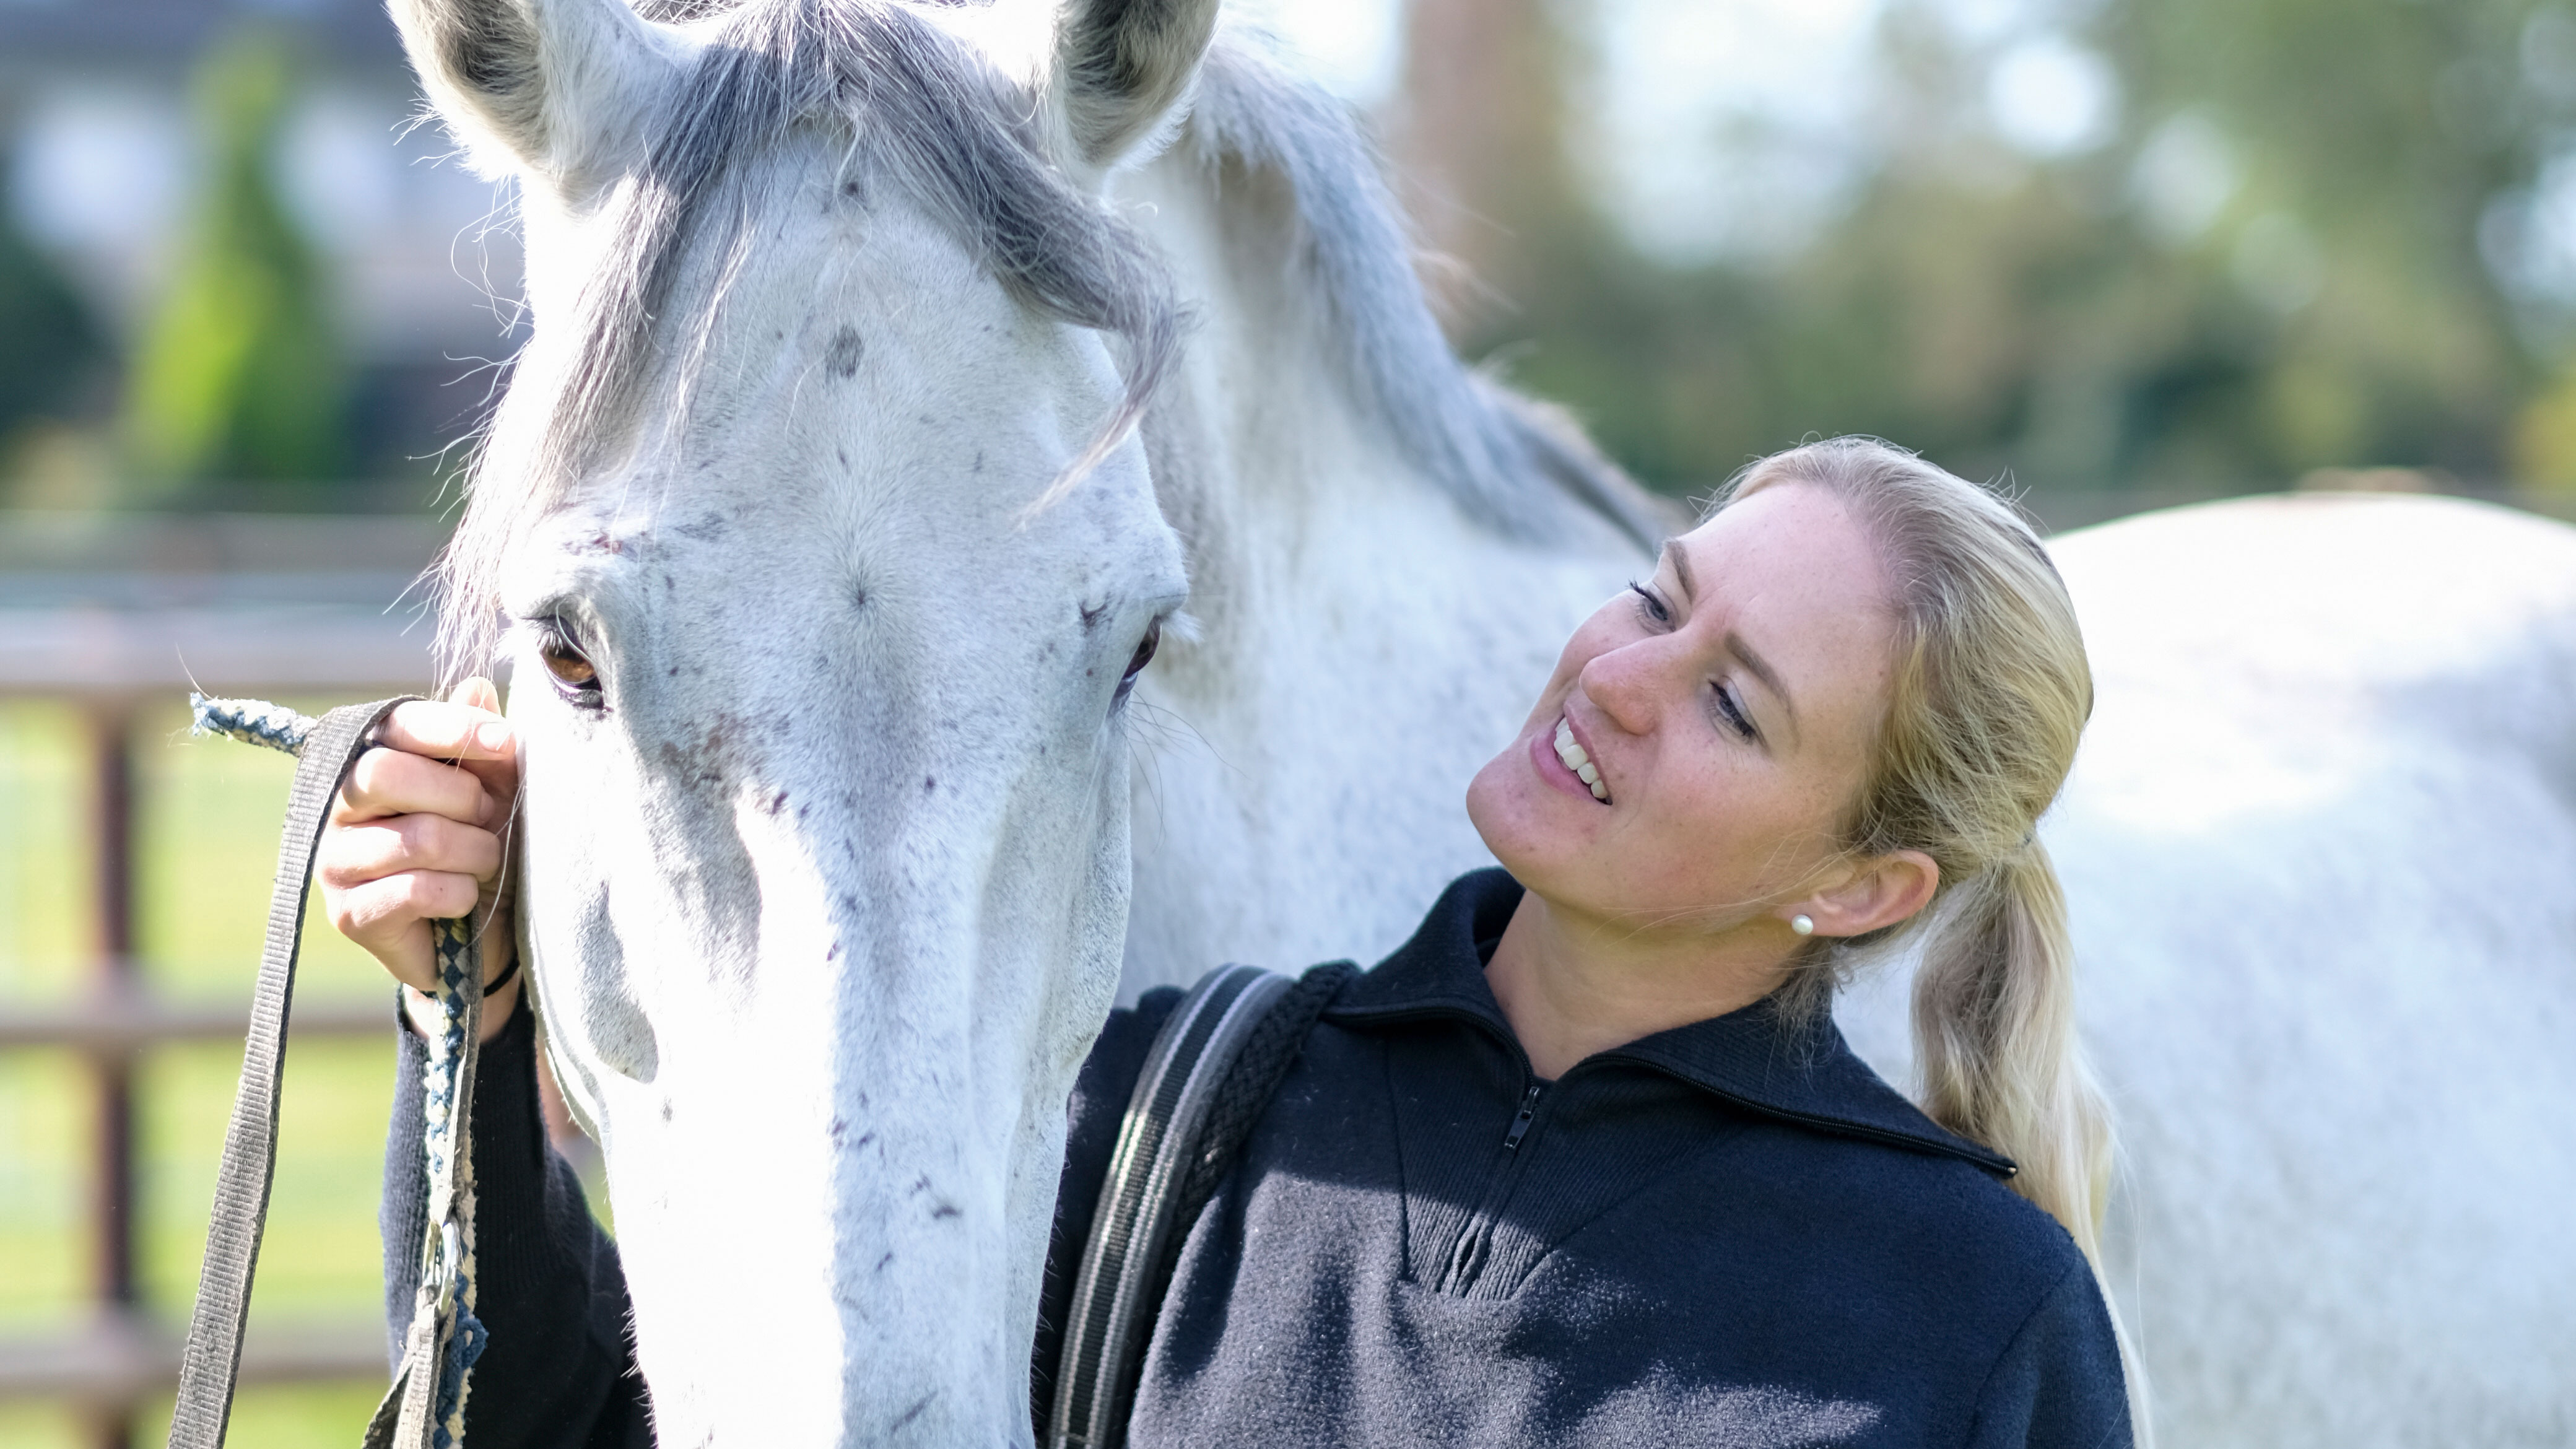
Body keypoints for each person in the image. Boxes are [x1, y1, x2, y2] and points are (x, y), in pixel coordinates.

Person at [322, 437, 2139, 1447]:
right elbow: (577, 1434)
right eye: (1659, 595)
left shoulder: (1972, 1318)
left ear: (1863, 886)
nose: (1622, 675)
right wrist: (469, 1028)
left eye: (1736, 703)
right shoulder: (1172, 1122)